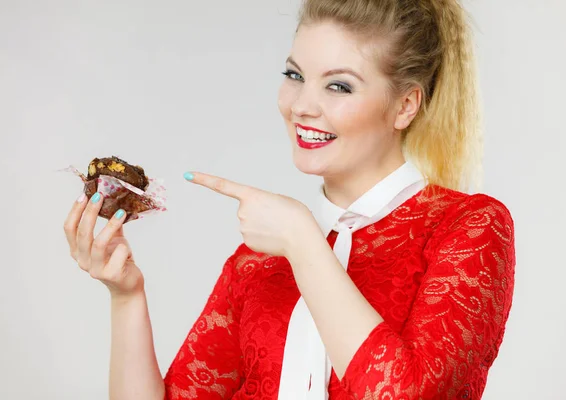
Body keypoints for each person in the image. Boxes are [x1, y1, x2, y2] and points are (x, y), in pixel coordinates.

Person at [63, 0, 516, 399]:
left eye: (339, 86)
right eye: (295, 75)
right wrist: (126, 296)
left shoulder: (469, 227)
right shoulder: (257, 262)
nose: (301, 105)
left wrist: (303, 241)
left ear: (404, 106)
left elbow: (407, 394)